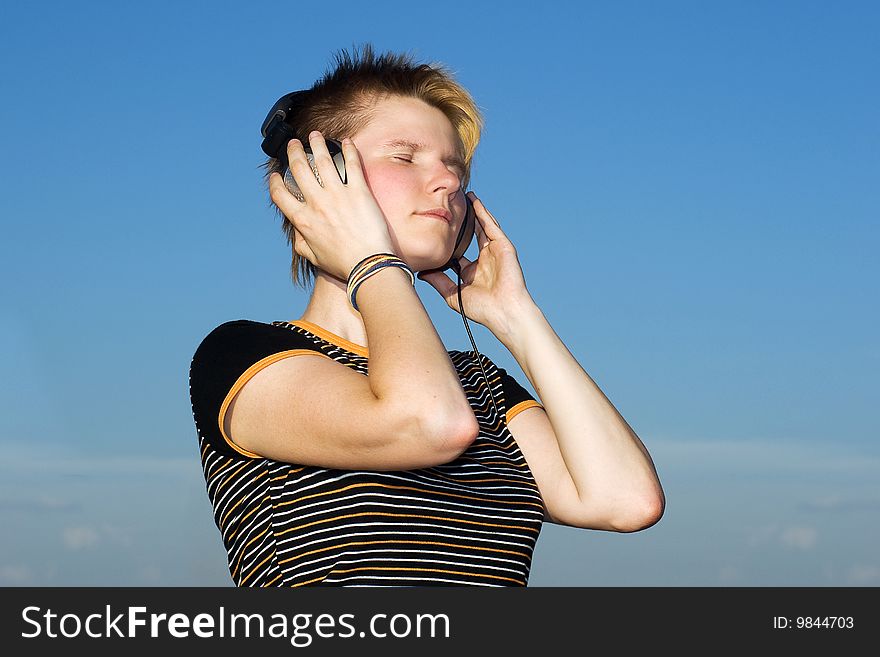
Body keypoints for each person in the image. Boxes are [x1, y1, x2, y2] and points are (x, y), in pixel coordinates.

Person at [188, 44, 665, 587]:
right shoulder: (241, 353)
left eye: (454, 167)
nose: (448, 182)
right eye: (405, 156)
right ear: (316, 178)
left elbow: (624, 501)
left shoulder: (477, 383)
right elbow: (428, 423)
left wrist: (516, 317)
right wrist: (373, 261)